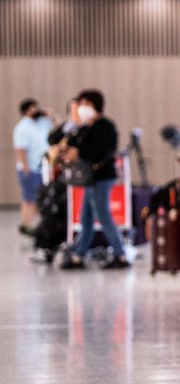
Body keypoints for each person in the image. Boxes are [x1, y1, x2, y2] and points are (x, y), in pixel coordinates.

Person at [60, 90, 130, 270]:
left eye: (85, 104)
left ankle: (120, 254)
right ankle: (78, 255)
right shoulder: (85, 127)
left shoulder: (104, 125)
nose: (82, 108)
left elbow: (103, 150)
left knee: (103, 215)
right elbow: (67, 142)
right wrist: (72, 122)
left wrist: (80, 153)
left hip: (102, 177)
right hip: (90, 179)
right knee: (86, 218)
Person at [13, 98, 51, 235]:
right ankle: (27, 224)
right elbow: (21, 149)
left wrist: (51, 115)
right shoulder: (22, 127)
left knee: (40, 198)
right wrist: (25, 167)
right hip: (30, 168)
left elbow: (57, 130)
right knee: (29, 198)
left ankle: (36, 223)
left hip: (44, 167)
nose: (36, 110)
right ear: (26, 111)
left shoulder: (43, 122)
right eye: (32, 108)